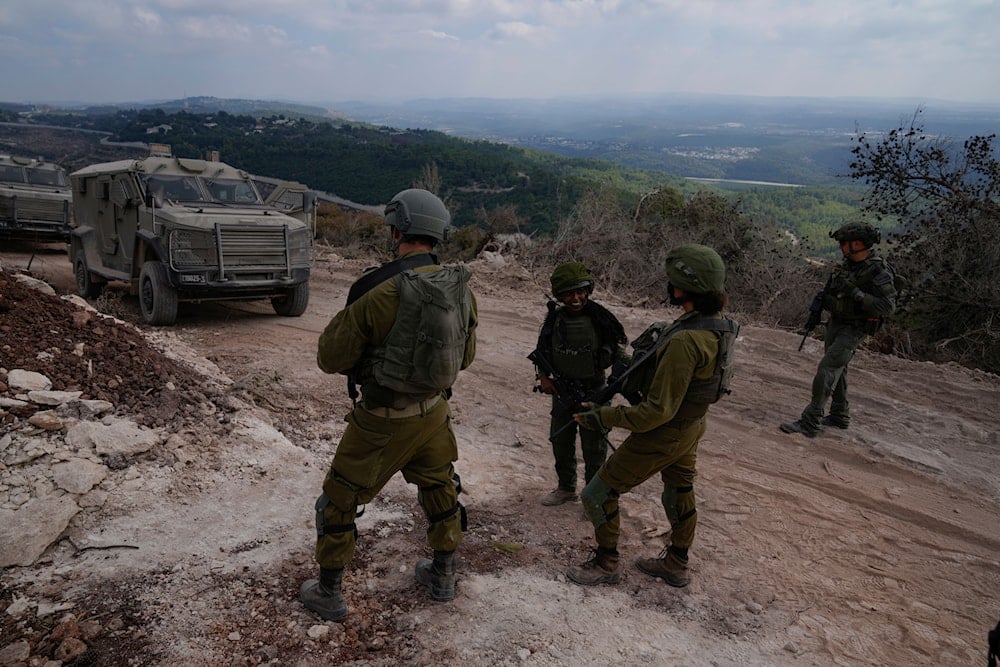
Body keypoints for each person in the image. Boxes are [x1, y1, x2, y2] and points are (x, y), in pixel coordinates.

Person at [299, 188, 478, 621]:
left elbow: (330, 358)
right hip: (434, 414)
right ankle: (443, 574)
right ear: (438, 235)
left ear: (398, 230)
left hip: (380, 421)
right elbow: (465, 357)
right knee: (440, 487)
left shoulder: (380, 293)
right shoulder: (459, 289)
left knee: (338, 500)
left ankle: (329, 591)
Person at [566, 244, 739, 588]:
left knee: (597, 493)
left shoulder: (686, 341)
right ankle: (676, 563)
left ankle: (606, 563)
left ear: (683, 287)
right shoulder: (718, 327)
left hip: (665, 431)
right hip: (691, 425)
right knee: (679, 488)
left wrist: (603, 416)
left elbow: (655, 413)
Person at [780, 222, 897, 438]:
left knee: (827, 368)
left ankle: (811, 421)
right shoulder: (847, 265)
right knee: (838, 369)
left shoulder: (877, 270)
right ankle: (839, 415)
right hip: (837, 322)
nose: (841, 246)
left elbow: (888, 307)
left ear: (858, 244)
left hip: (855, 327)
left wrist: (855, 293)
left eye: (844, 242)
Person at [531, 262, 627, 506]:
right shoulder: (554, 320)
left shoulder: (600, 318)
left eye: (580, 291)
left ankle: (594, 496)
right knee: (560, 442)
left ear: (588, 290)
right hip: (563, 393)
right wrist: (544, 377)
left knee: (594, 448)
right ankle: (566, 488)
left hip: (594, 390)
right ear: (559, 295)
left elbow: (619, 351)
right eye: (569, 293)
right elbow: (543, 351)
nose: (576, 298)